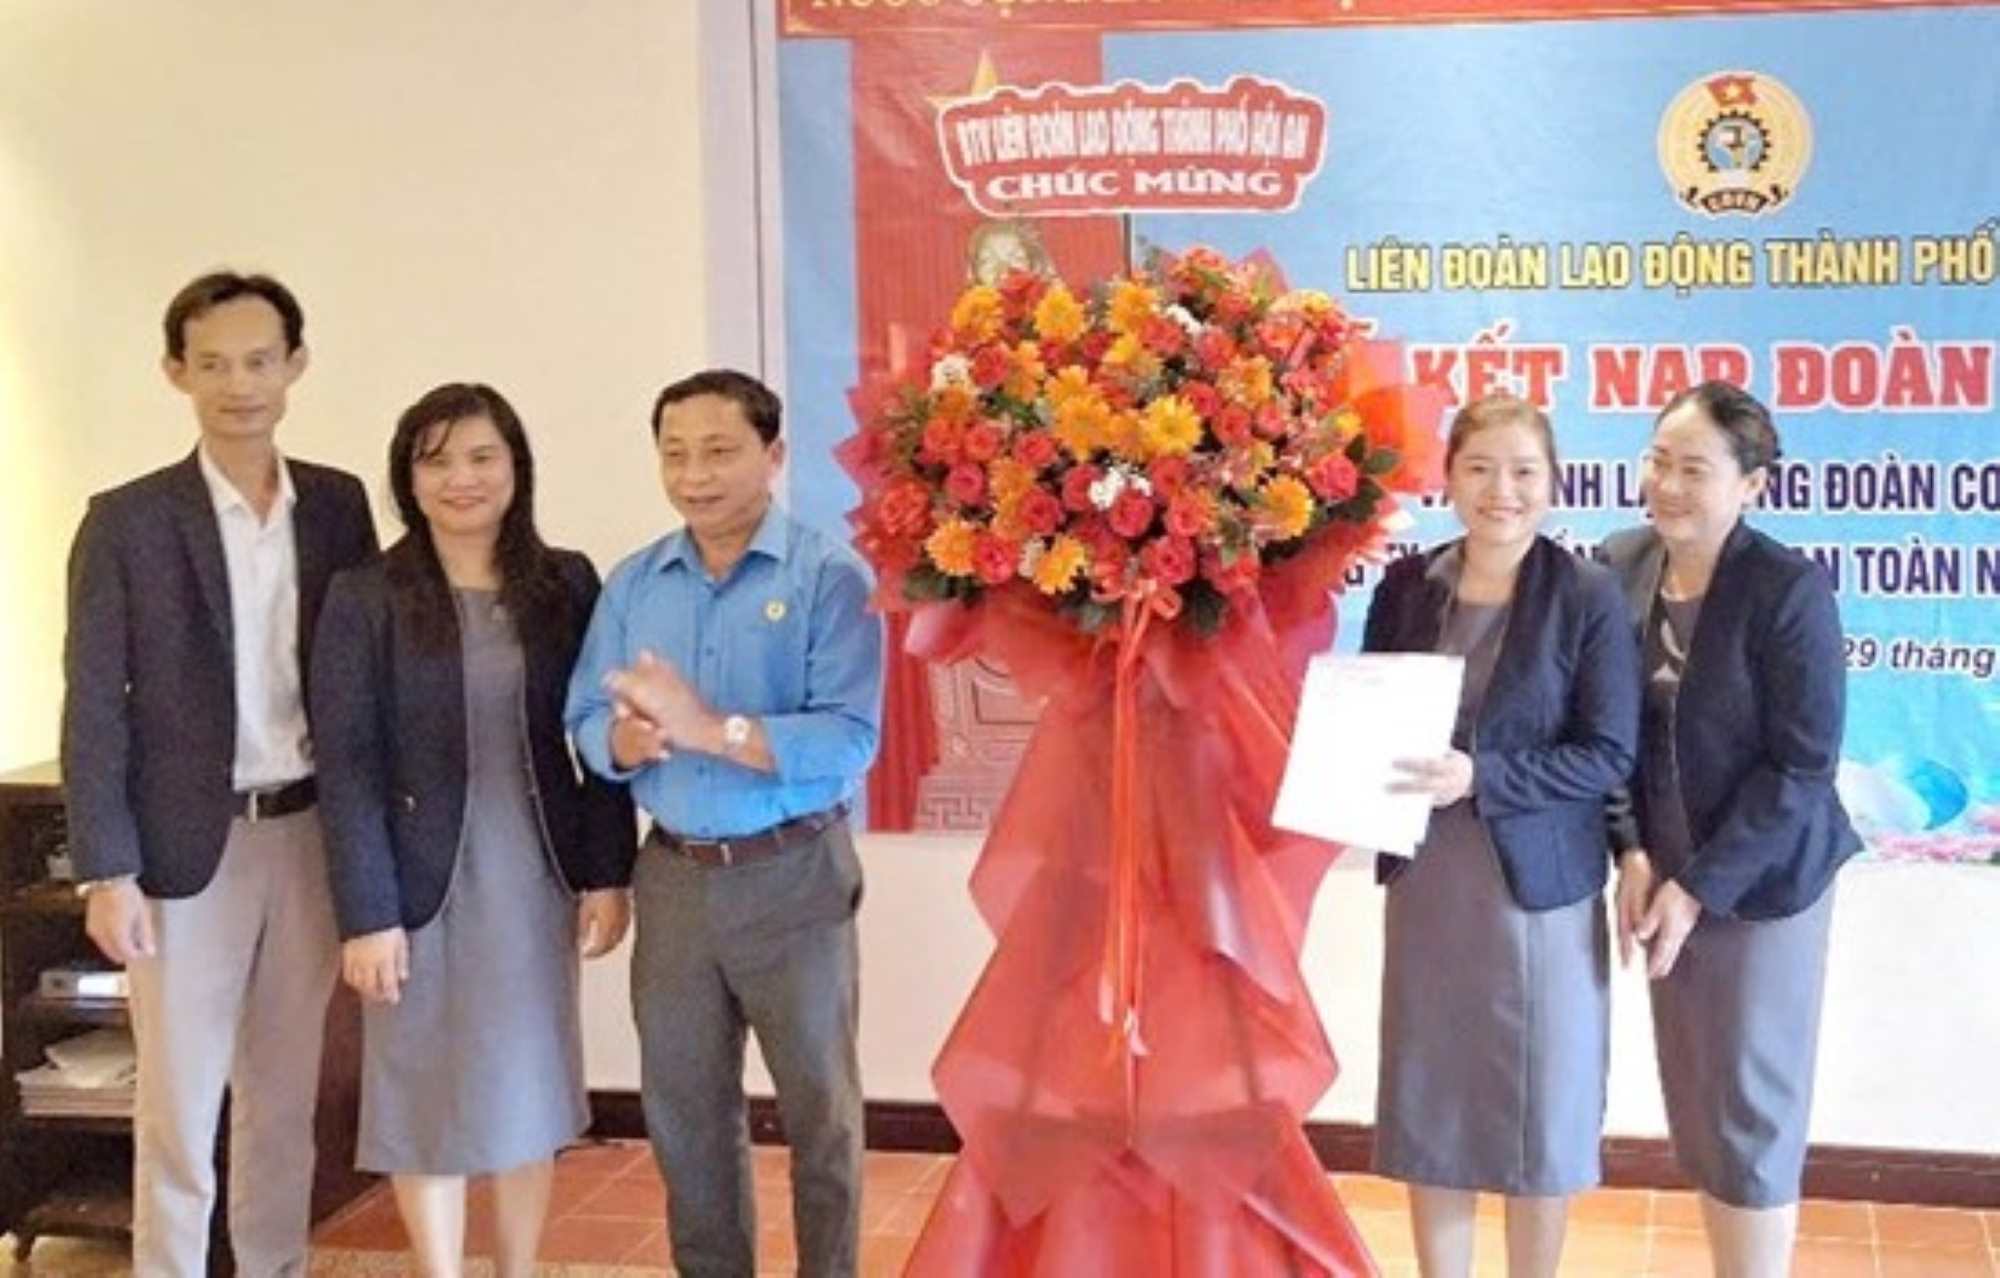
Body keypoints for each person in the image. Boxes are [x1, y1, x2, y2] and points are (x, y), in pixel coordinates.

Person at [60, 270, 378, 1276]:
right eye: (212, 365)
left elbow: (362, 677)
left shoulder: (337, 505)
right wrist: (106, 872)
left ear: (295, 366)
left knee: (284, 1104)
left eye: (258, 360)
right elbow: (93, 706)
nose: (239, 385)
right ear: (176, 373)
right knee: (180, 1112)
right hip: (179, 855)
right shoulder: (127, 520)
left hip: (307, 837)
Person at [309, 383, 636, 1277]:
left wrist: (608, 873)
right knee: (420, 1091)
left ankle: (518, 1267)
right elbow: (349, 765)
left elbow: (596, 735)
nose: (462, 478)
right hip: (416, 887)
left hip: (535, 875)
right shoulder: (366, 595)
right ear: (407, 479)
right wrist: (365, 914)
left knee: (529, 1084)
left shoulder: (565, 581)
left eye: (482, 456)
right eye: (437, 459)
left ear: (516, 469)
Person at [565, 368, 884, 1278]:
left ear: (773, 456)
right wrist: (621, 740)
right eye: (675, 454)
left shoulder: (828, 578)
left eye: (719, 451)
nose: (695, 475)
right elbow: (583, 717)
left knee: (821, 1112)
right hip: (675, 880)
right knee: (685, 1115)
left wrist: (708, 729)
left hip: (795, 875)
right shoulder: (635, 582)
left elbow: (849, 739)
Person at [1361, 394, 1639, 1278]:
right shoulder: (1407, 587)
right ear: (1447, 478)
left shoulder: (1587, 594)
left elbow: (1606, 753)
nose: (1501, 490)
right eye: (1479, 468)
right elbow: (1366, 713)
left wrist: (1486, 778)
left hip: (1537, 892)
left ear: (1553, 484)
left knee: (1537, 1113)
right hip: (1428, 880)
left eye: (1523, 471)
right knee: (1431, 1103)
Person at [1602, 381, 1858, 1278]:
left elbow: (1802, 767)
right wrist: (1631, 849)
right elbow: (1607, 733)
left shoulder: (1786, 589)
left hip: (1763, 883)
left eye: (1695, 469)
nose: (1667, 484)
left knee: (1751, 1103)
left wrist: (1698, 885)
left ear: (1751, 485)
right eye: (1659, 461)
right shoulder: (1619, 564)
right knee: (1700, 1098)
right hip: (1663, 872)